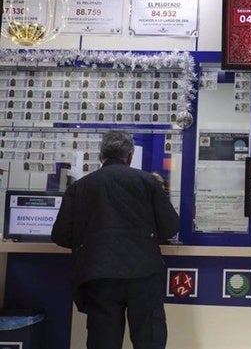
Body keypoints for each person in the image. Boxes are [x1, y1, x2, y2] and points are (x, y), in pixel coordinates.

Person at [51, 130, 180, 349]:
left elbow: (61, 235)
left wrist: (91, 240)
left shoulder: (80, 187)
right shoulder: (148, 182)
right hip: (144, 274)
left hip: (99, 276)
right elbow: (170, 227)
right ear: (129, 155)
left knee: (103, 342)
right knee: (149, 340)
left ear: (101, 157)